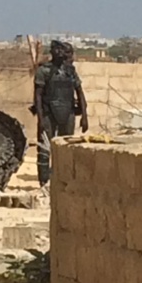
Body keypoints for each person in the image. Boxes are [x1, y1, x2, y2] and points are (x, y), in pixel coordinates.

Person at [32, 40, 88, 186]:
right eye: (57, 50)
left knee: (66, 149)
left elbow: (80, 93)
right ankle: (44, 182)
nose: (60, 53)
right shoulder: (43, 71)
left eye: (62, 50)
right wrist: (40, 118)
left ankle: (64, 180)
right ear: (52, 52)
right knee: (44, 149)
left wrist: (84, 116)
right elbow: (37, 96)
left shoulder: (70, 71)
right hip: (48, 114)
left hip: (68, 113)